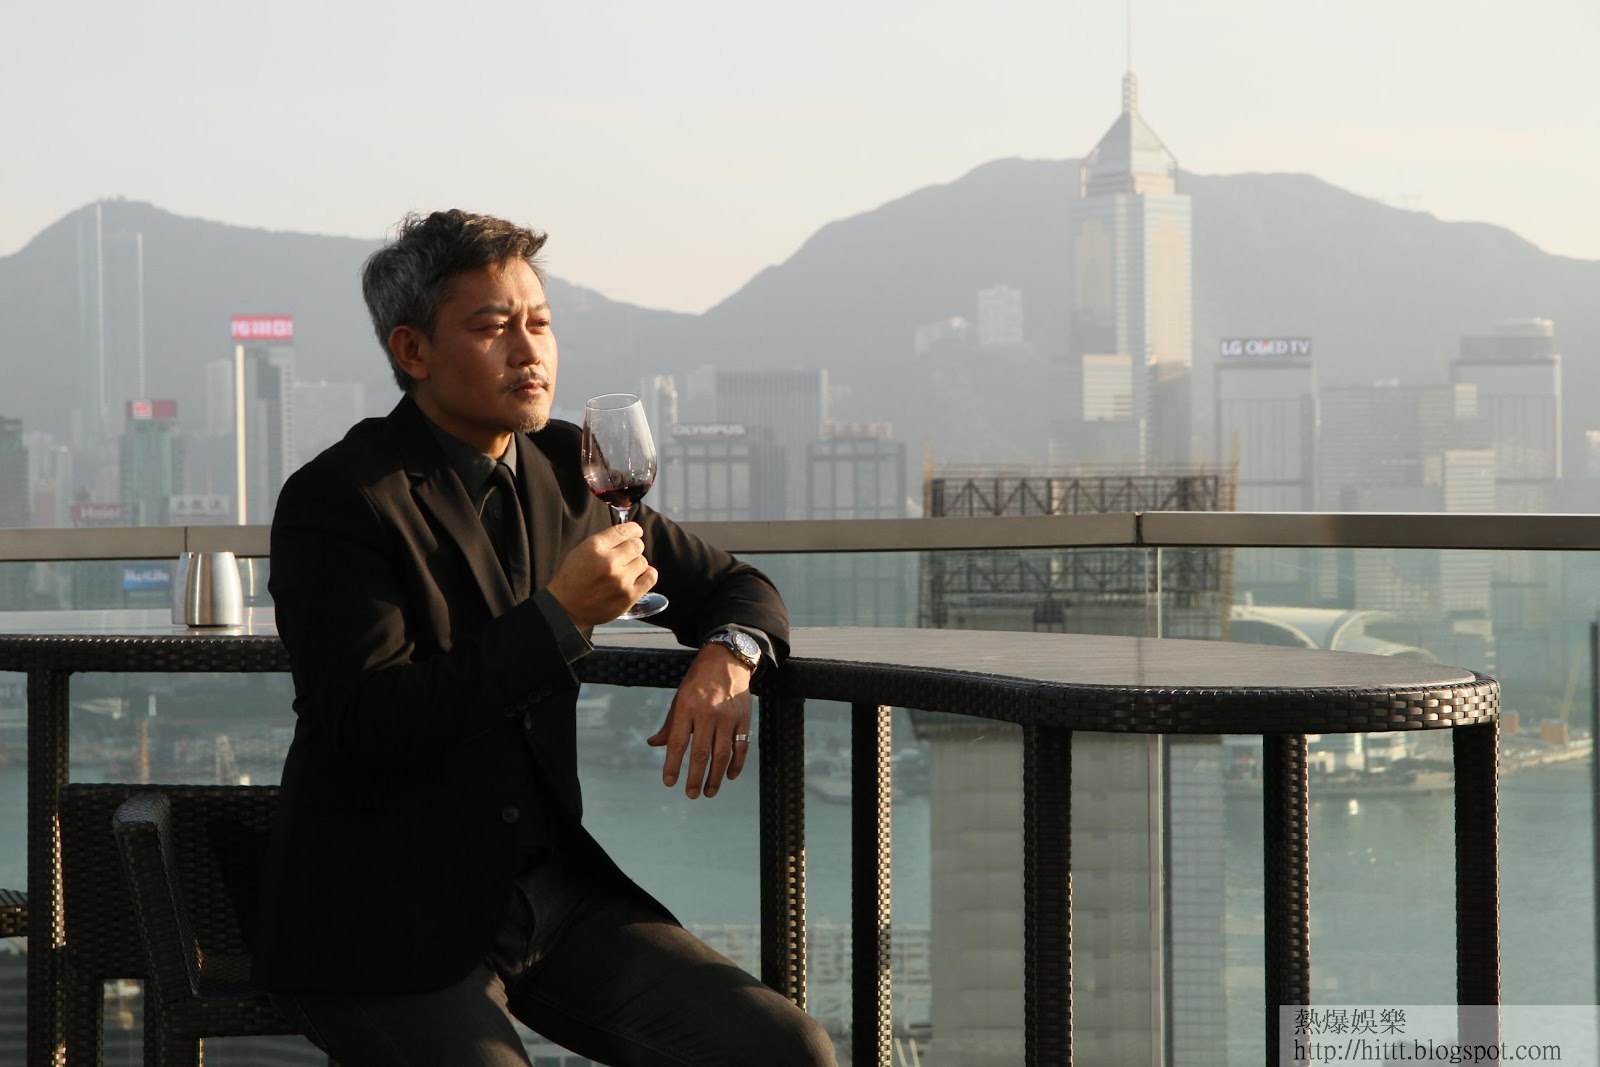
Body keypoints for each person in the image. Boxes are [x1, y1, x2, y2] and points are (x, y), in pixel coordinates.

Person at [254, 209, 836, 1066]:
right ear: (413, 351)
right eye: (494, 327)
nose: (530, 350)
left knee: (788, 1048)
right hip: (384, 917)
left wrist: (729, 658)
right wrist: (560, 617)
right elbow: (368, 719)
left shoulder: (572, 468)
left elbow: (734, 585)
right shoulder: (341, 497)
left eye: (541, 322)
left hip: (554, 895)